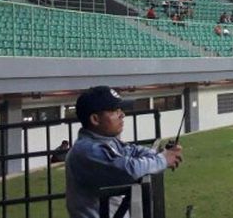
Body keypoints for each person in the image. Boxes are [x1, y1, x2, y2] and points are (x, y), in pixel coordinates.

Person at [65, 86, 183, 218]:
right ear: (95, 119)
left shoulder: (106, 141)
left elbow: (133, 151)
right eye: (115, 111)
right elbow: (129, 170)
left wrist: (161, 154)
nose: (122, 115)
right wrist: (162, 160)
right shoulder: (86, 151)